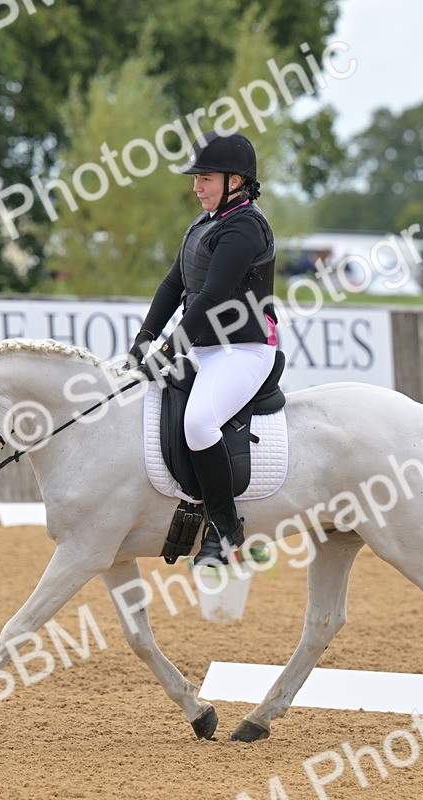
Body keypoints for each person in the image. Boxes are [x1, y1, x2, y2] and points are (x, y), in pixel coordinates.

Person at [127, 130, 278, 566]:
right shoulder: (203, 223)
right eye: (196, 179)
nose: (196, 187)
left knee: (198, 424)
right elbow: (174, 284)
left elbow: (212, 297)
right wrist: (144, 338)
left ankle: (226, 527)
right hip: (203, 348)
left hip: (243, 350)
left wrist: (170, 350)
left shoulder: (246, 227)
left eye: (205, 178)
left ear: (235, 180)